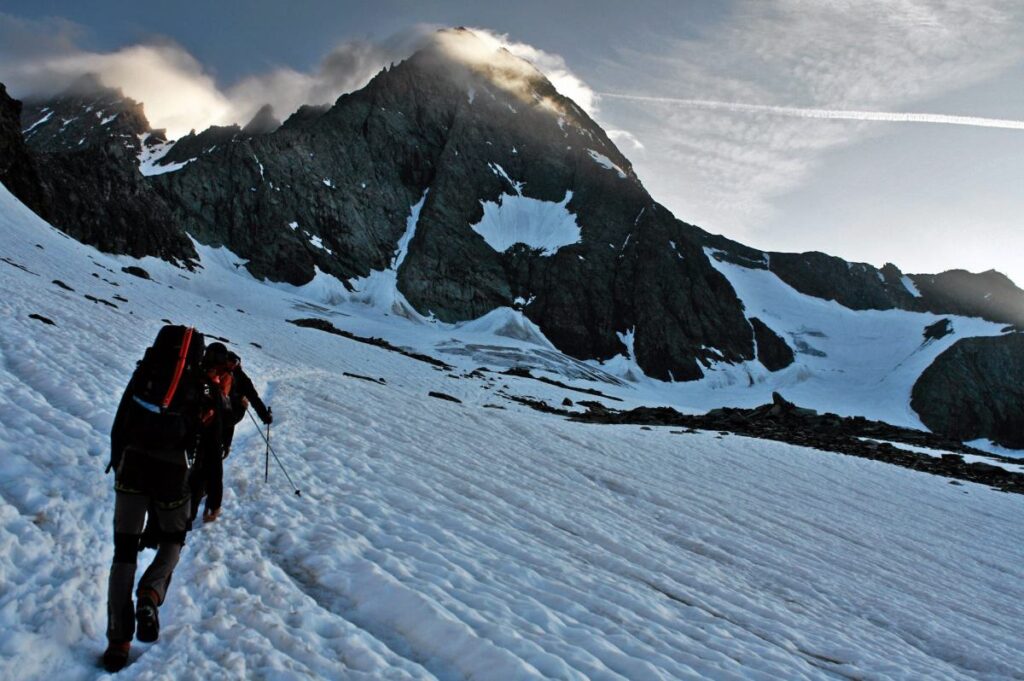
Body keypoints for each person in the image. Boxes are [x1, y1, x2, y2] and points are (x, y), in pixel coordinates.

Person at [103, 325, 205, 672]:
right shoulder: (199, 385)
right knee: (173, 539)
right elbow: (202, 447)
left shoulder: (145, 372)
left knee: (124, 551)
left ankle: (118, 641)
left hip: (132, 465)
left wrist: (117, 460)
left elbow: (121, 419)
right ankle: (151, 592)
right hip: (173, 473)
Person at [189, 342, 233, 524]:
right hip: (200, 453)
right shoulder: (211, 389)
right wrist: (215, 501)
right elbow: (215, 460)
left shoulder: (189, 374)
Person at [223, 351, 273, 458]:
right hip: (232, 411)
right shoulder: (241, 377)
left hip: (224, 411)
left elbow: (254, 400)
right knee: (228, 418)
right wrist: (266, 417)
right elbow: (254, 399)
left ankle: (224, 446)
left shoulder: (219, 372)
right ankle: (224, 446)